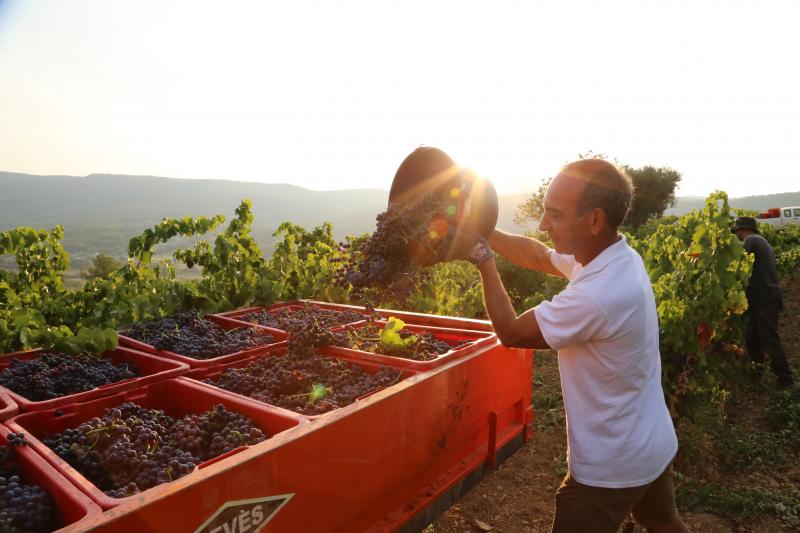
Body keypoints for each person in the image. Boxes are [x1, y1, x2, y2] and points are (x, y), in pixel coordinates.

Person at [455, 158, 687, 533]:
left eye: (554, 215)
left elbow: (512, 332)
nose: (544, 225)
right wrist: (484, 231)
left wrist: (483, 260)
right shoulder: (613, 257)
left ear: (594, 220)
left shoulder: (598, 294)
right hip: (649, 443)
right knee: (663, 522)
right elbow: (536, 255)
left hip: (609, 466)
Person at [731, 216, 794, 388]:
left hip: (764, 299)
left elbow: (737, 262)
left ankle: (786, 379)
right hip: (763, 299)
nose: (736, 236)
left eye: (736, 232)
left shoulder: (750, 240)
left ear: (741, 230)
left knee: (769, 339)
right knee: (753, 338)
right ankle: (757, 372)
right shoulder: (760, 240)